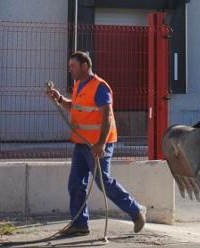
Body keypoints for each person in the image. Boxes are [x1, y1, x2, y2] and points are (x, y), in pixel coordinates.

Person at [46, 51, 147, 237]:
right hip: (82, 144)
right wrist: (60, 99)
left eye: (73, 66)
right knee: (76, 183)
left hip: (99, 144)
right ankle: (80, 224)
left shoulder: (100, 87)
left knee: (103, 182)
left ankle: (135, 210)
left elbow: (107, 115)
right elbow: (75, 107)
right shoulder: (78, 85)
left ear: (85, 66)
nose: (70, 70)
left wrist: (101, 143)